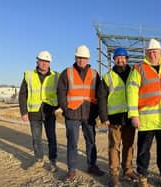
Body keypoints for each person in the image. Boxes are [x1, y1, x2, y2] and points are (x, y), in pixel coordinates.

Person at [127, 39, 161, 187]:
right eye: (150, 52)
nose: (152, 54)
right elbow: (132, 92)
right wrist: (134, 115)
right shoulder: (139, 69)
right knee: (144, 151)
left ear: (160, 52)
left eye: (155, 51)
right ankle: (143, 178)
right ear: (146, 53)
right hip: (146, 119)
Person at [57, 45, 105, 182]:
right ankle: (72, 170)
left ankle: (92, 165)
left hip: (89, 114)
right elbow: (61, 91)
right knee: (72, 143)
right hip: (72, 114)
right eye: (79, 57)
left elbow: (99, 94)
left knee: (91, 141)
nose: (81, 60)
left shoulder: (95, 74)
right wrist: (65, 109)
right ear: (75, 58)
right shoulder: (67, 72)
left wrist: (96, 112)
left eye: (83, 58)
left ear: (88, 59)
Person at [99, 48, 138, 187]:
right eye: (117, 58)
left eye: (123, 57)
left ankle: (127, 170)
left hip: (130, 116)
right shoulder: (107, 76)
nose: (120, 60)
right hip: (114, 118)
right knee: (114, 146)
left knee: (129, 145)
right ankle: (114, 175)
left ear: (127, 59)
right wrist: (104, 117)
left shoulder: (134, 74)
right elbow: (102, 98)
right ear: (114, 60)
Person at [18, 50, 59, 172]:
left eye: (46, 61)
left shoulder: (56, 76)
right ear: (37, 61)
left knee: (51, 137)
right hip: (34, 112)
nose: (44, 63)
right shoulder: (29, 75)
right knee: (36, 138)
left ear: (50, 62)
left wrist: (56, 107)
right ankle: (39, 160)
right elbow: (22, 95)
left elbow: (61, 93)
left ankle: (53, 161)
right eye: (42, 61)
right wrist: (24, 112)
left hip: (49, 112)